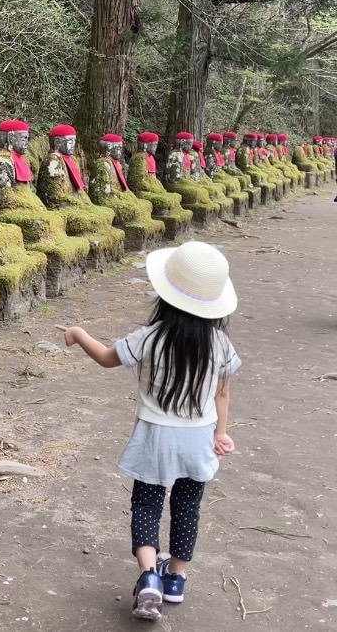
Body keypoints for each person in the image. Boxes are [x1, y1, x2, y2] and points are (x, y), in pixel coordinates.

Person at [55, 241, 240, 622]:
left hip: (155, 437)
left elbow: (108, 358)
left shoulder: (152, 336)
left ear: (166, 295)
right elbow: (223, 393)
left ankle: (148, 575)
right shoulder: (220, 343)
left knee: (147, 503)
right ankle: (175, 579)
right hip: (198, 438)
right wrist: (221, 432)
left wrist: (78, 333)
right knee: (188, 506)